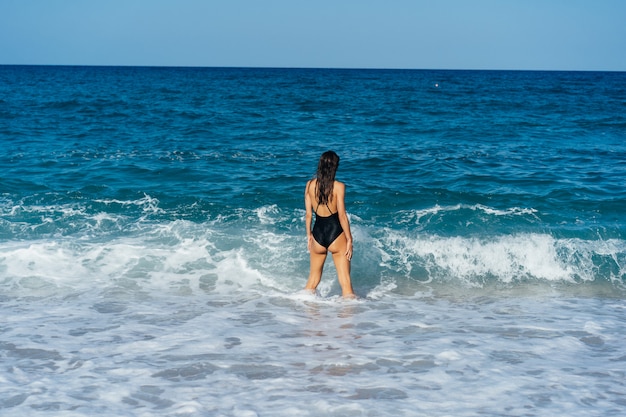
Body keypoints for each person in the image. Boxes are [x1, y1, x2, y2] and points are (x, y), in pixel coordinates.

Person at [304, 151, 356, 299]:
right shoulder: (339, 186)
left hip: (317, 233)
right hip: (336, 233)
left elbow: (308, 215)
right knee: (346, 284)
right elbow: (342, 216)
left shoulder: (309, 185)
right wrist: (349, 240)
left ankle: (304, 313)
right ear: (335, 167)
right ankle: (350, 317)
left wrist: (309, 236)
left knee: (312, 282)